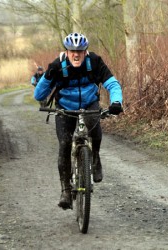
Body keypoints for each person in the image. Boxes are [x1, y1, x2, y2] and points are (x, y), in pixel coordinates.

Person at [34, 32, 124, 209]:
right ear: (66, 52)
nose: (76, 54)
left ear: (86, 51)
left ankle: (95, 158)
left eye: (80, 51)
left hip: (89, 103)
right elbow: (39, 94)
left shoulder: (95, 62)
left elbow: (112, 84)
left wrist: (116, 102)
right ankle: (66, 191)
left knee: (95, 130)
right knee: (65, 144)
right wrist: (48, 76)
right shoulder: (57, 65)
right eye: (72, 51)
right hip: (65, 108)